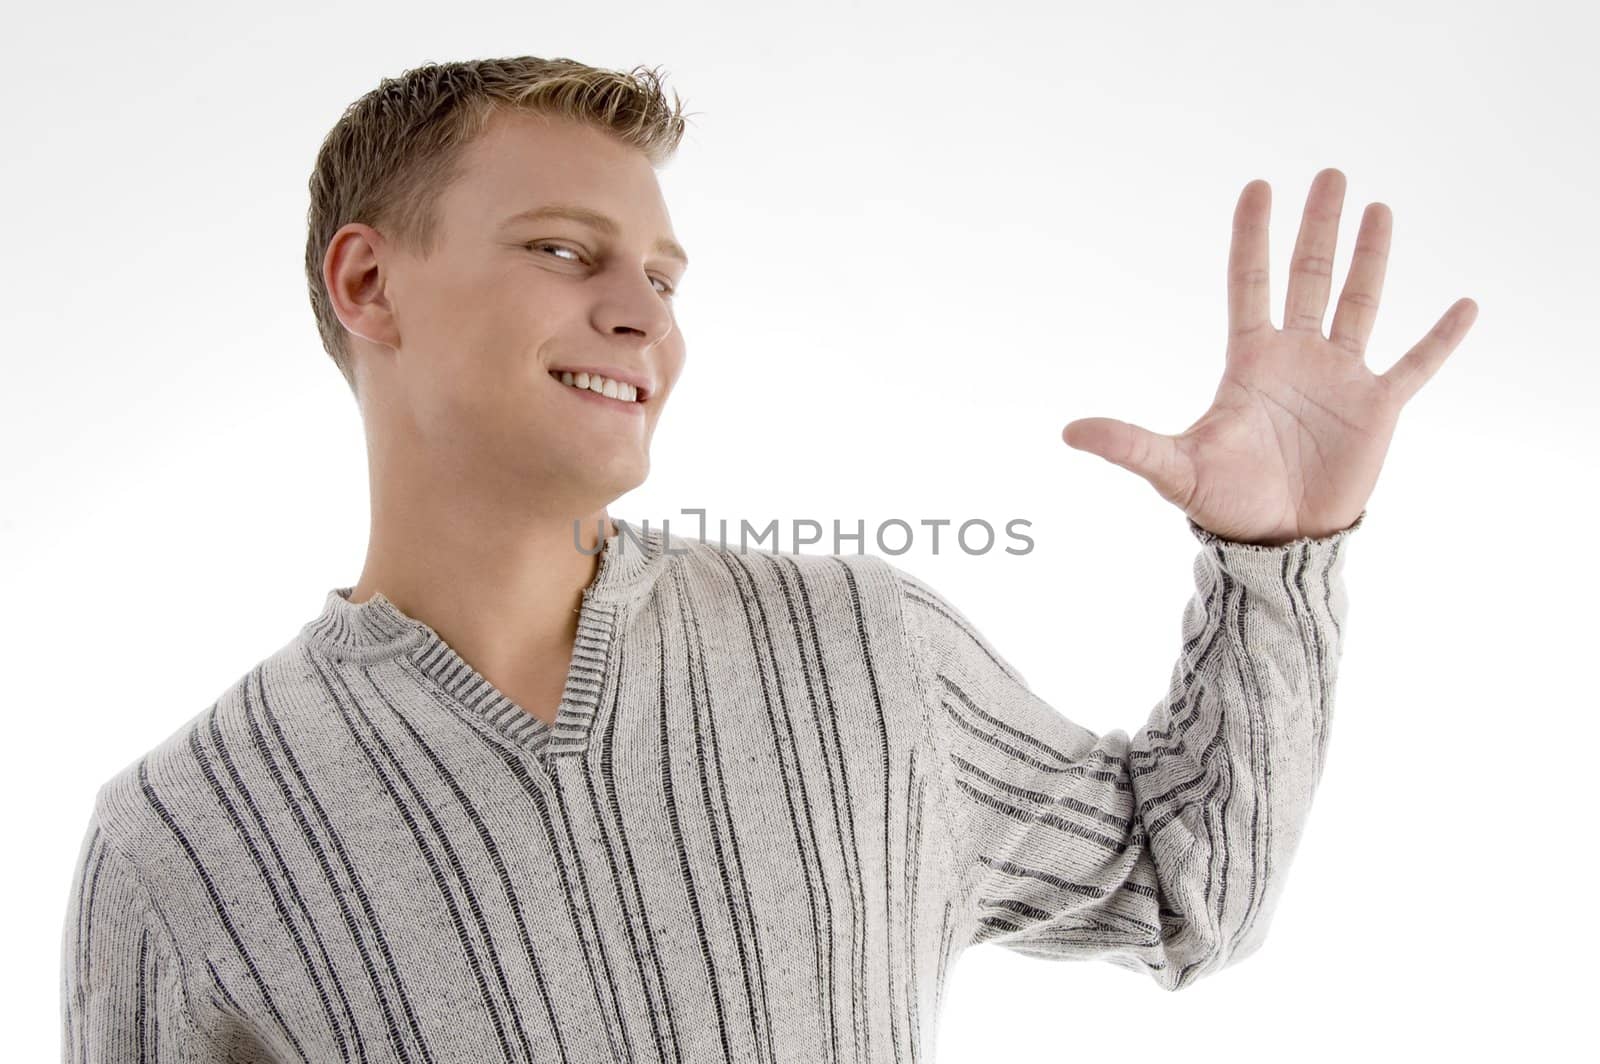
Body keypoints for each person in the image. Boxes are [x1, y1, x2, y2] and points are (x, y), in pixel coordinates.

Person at [58, 56, 1476, 1063]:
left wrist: (1276, 556)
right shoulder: (181, 843)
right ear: (369, 284)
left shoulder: (865, 653)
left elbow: (1189, 891)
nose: (643, 318)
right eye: (565, 250)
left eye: (664, 280)